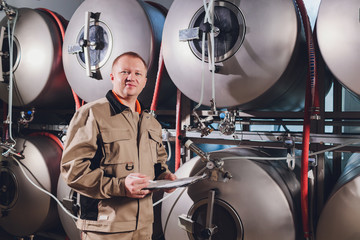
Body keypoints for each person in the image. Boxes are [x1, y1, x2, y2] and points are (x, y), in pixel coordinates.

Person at [61, 51, 177, 240]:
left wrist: (164, 177)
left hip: (144, 227)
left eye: (138, 73)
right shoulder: (92, 114)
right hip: (105, 228)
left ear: (145, 81)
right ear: (112, 77)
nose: (131, 77)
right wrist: (121, 186)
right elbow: (73, 171)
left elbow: (158, 164)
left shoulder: (151, 123)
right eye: (125, 72)